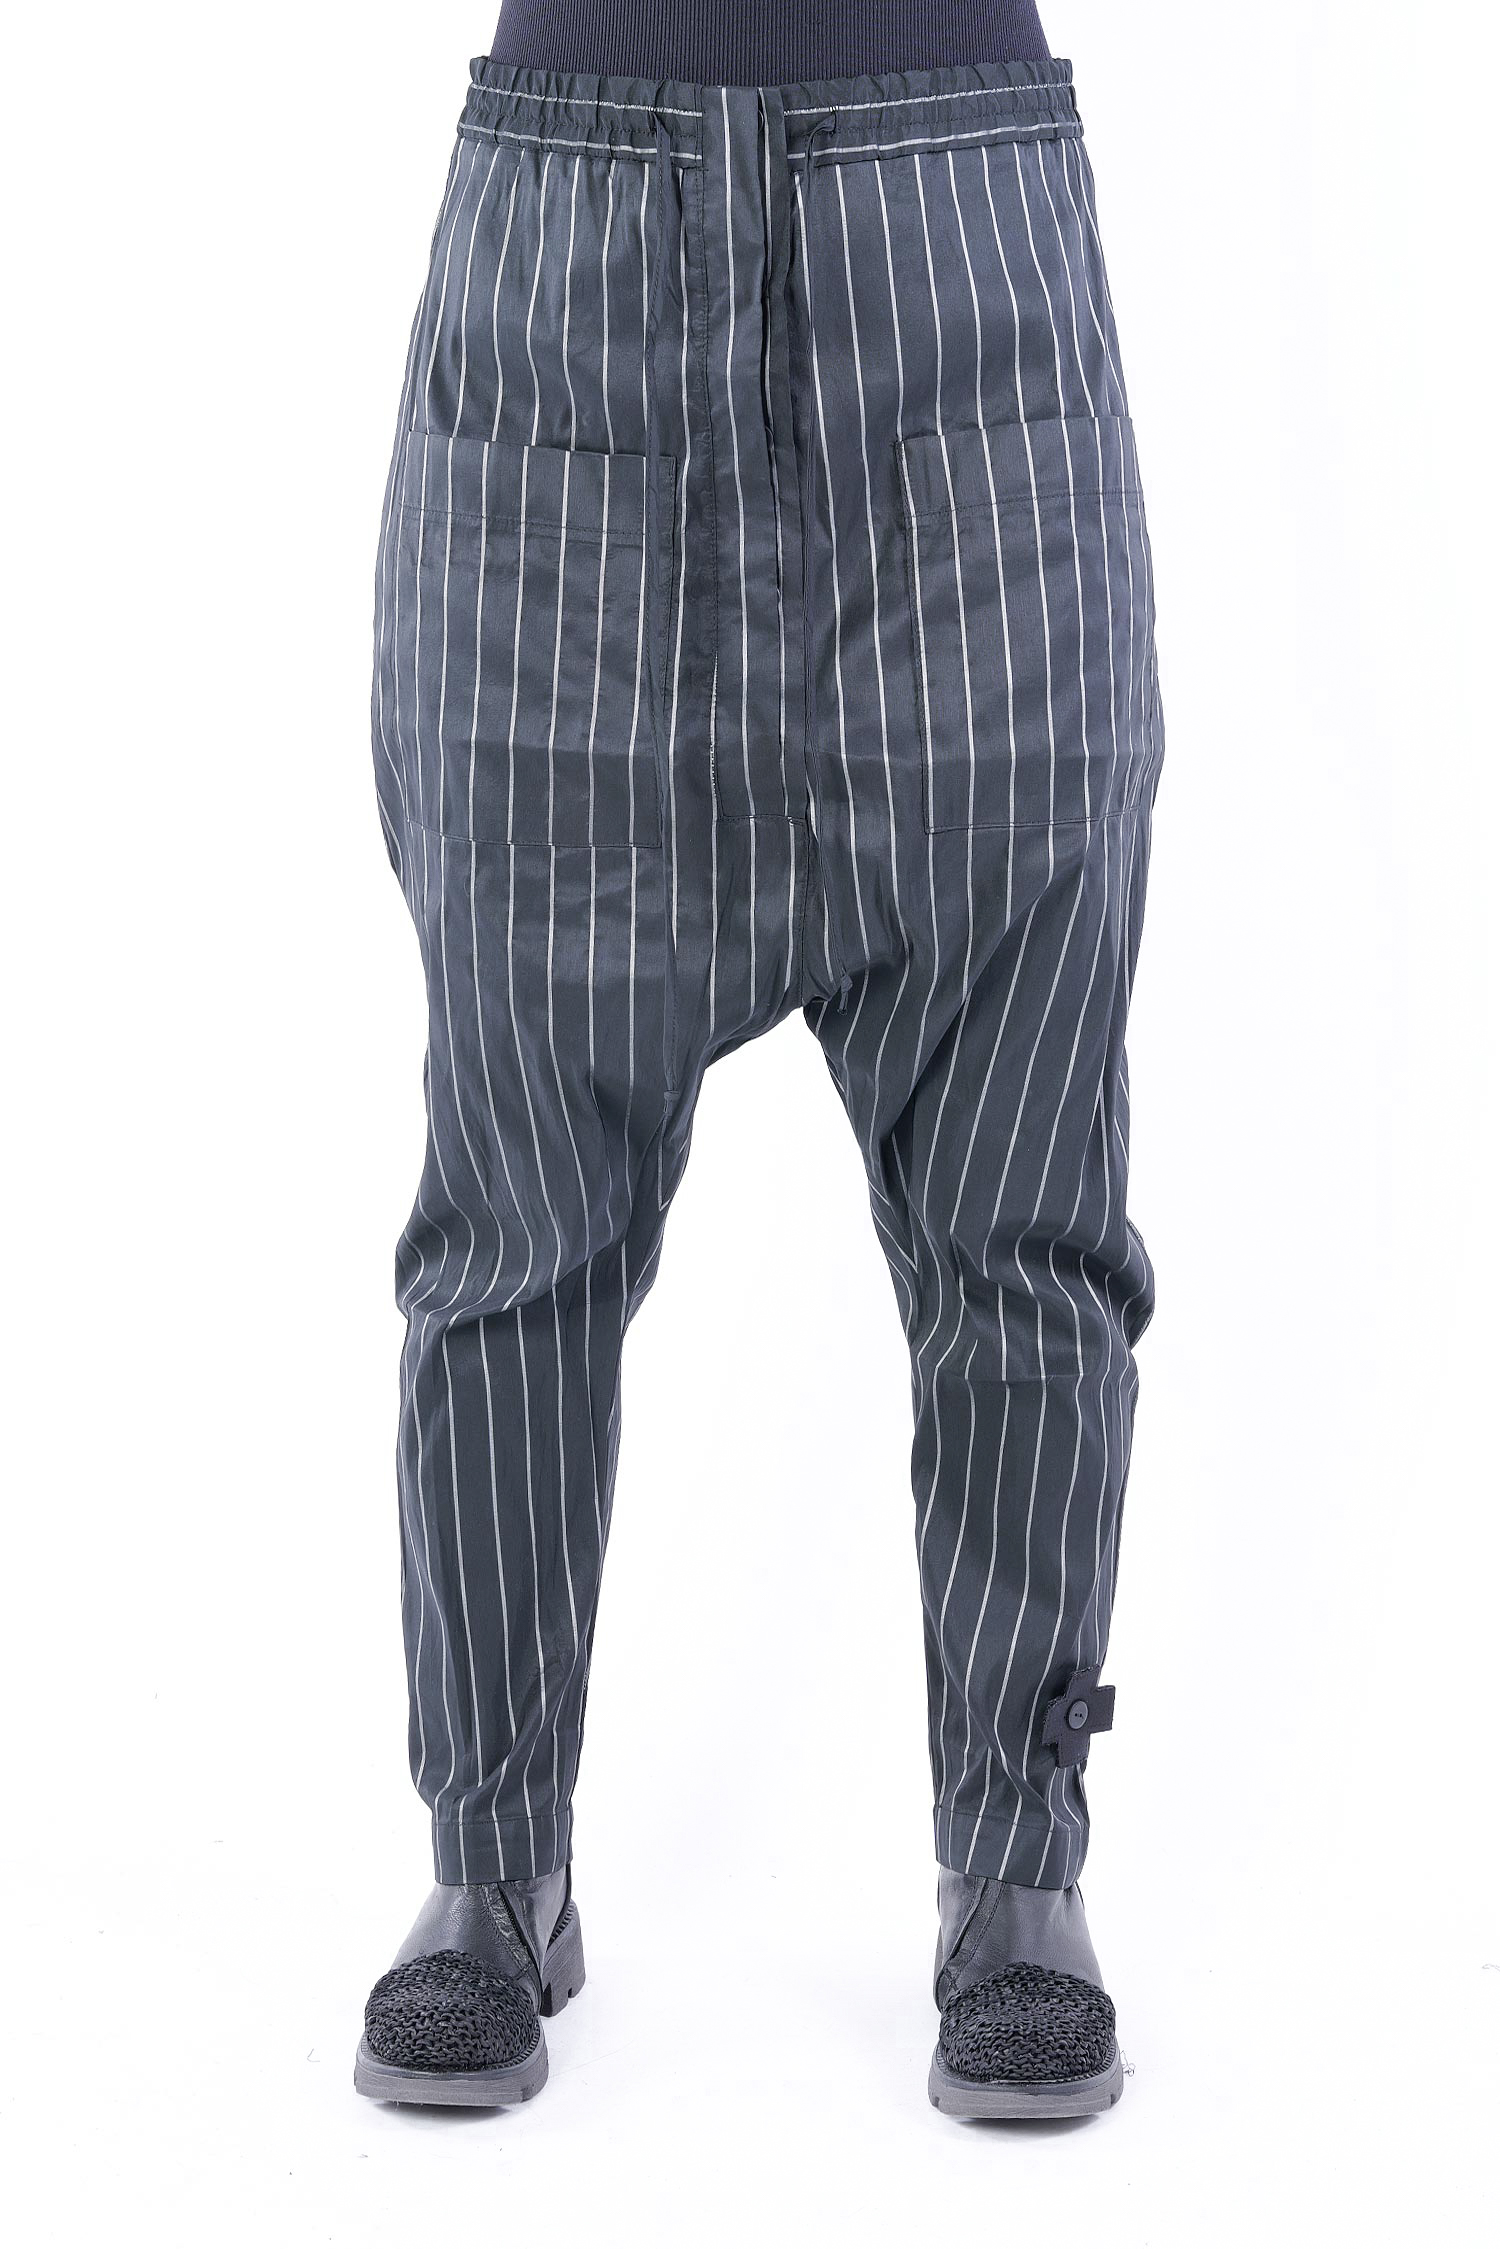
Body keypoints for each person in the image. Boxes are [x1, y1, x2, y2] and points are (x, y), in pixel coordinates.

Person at [356, 0, 1163, 2121]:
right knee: (517, 1212)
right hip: (572, 273)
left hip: (960, 270)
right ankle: (493, 1866)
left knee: (1023, 1207)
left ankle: (1018, 1871)